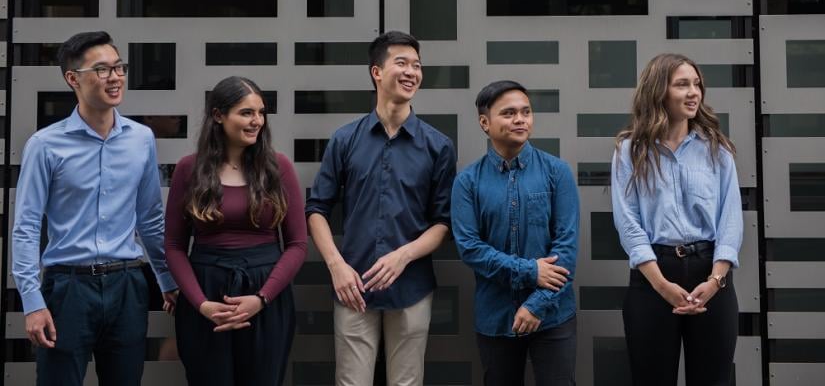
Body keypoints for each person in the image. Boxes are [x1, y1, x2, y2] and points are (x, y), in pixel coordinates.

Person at [11, 31, 178, 386]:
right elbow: (26, 227)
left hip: (127, 284)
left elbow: (150, 218)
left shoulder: (141, 139)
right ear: (73, 78)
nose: (115, 77)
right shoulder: (45, 145)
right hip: (68, 288)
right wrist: (32, 301)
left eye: (119, 67)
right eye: (102, 70)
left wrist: (166, 278)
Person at [306, 31, 456, 386]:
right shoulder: (345, 139)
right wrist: (337, 266)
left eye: (417, 65)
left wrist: (403, 256)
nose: (411, 72)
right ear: (376, 72)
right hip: (352, 286)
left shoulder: (438, 146)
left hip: (412, 286)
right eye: (401, 63)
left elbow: (443, 223)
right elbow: (317, 209)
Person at [164, 76, 307, 386]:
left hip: (266, 295)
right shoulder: (189, 169)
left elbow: (297, 244)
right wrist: (201, 304)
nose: (257, 121)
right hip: (205, 294)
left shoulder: (278, 167)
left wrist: (262, 298)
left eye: (261, 112)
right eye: (246, 113)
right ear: (218, 115)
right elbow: (174, 245)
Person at [611, 53, 743, 386]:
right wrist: (661, 285)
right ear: (659, 91)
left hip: (711, 275)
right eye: (682, 84)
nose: (693, 92)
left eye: (696, 84)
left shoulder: (717, 149)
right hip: (653, 277)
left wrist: (715, 281)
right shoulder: (629, 151)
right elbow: (628, 223)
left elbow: (731, 220)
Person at [451, 80, 579, 386]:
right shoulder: (467, 181)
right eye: (508, 113)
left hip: (553, 314)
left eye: (526, 112)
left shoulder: (557, 172)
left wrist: (536, 304)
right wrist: (530, 270)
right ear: (485, 123)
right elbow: (470, 248)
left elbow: (567, 247)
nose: (520, 119)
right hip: (496, 316)